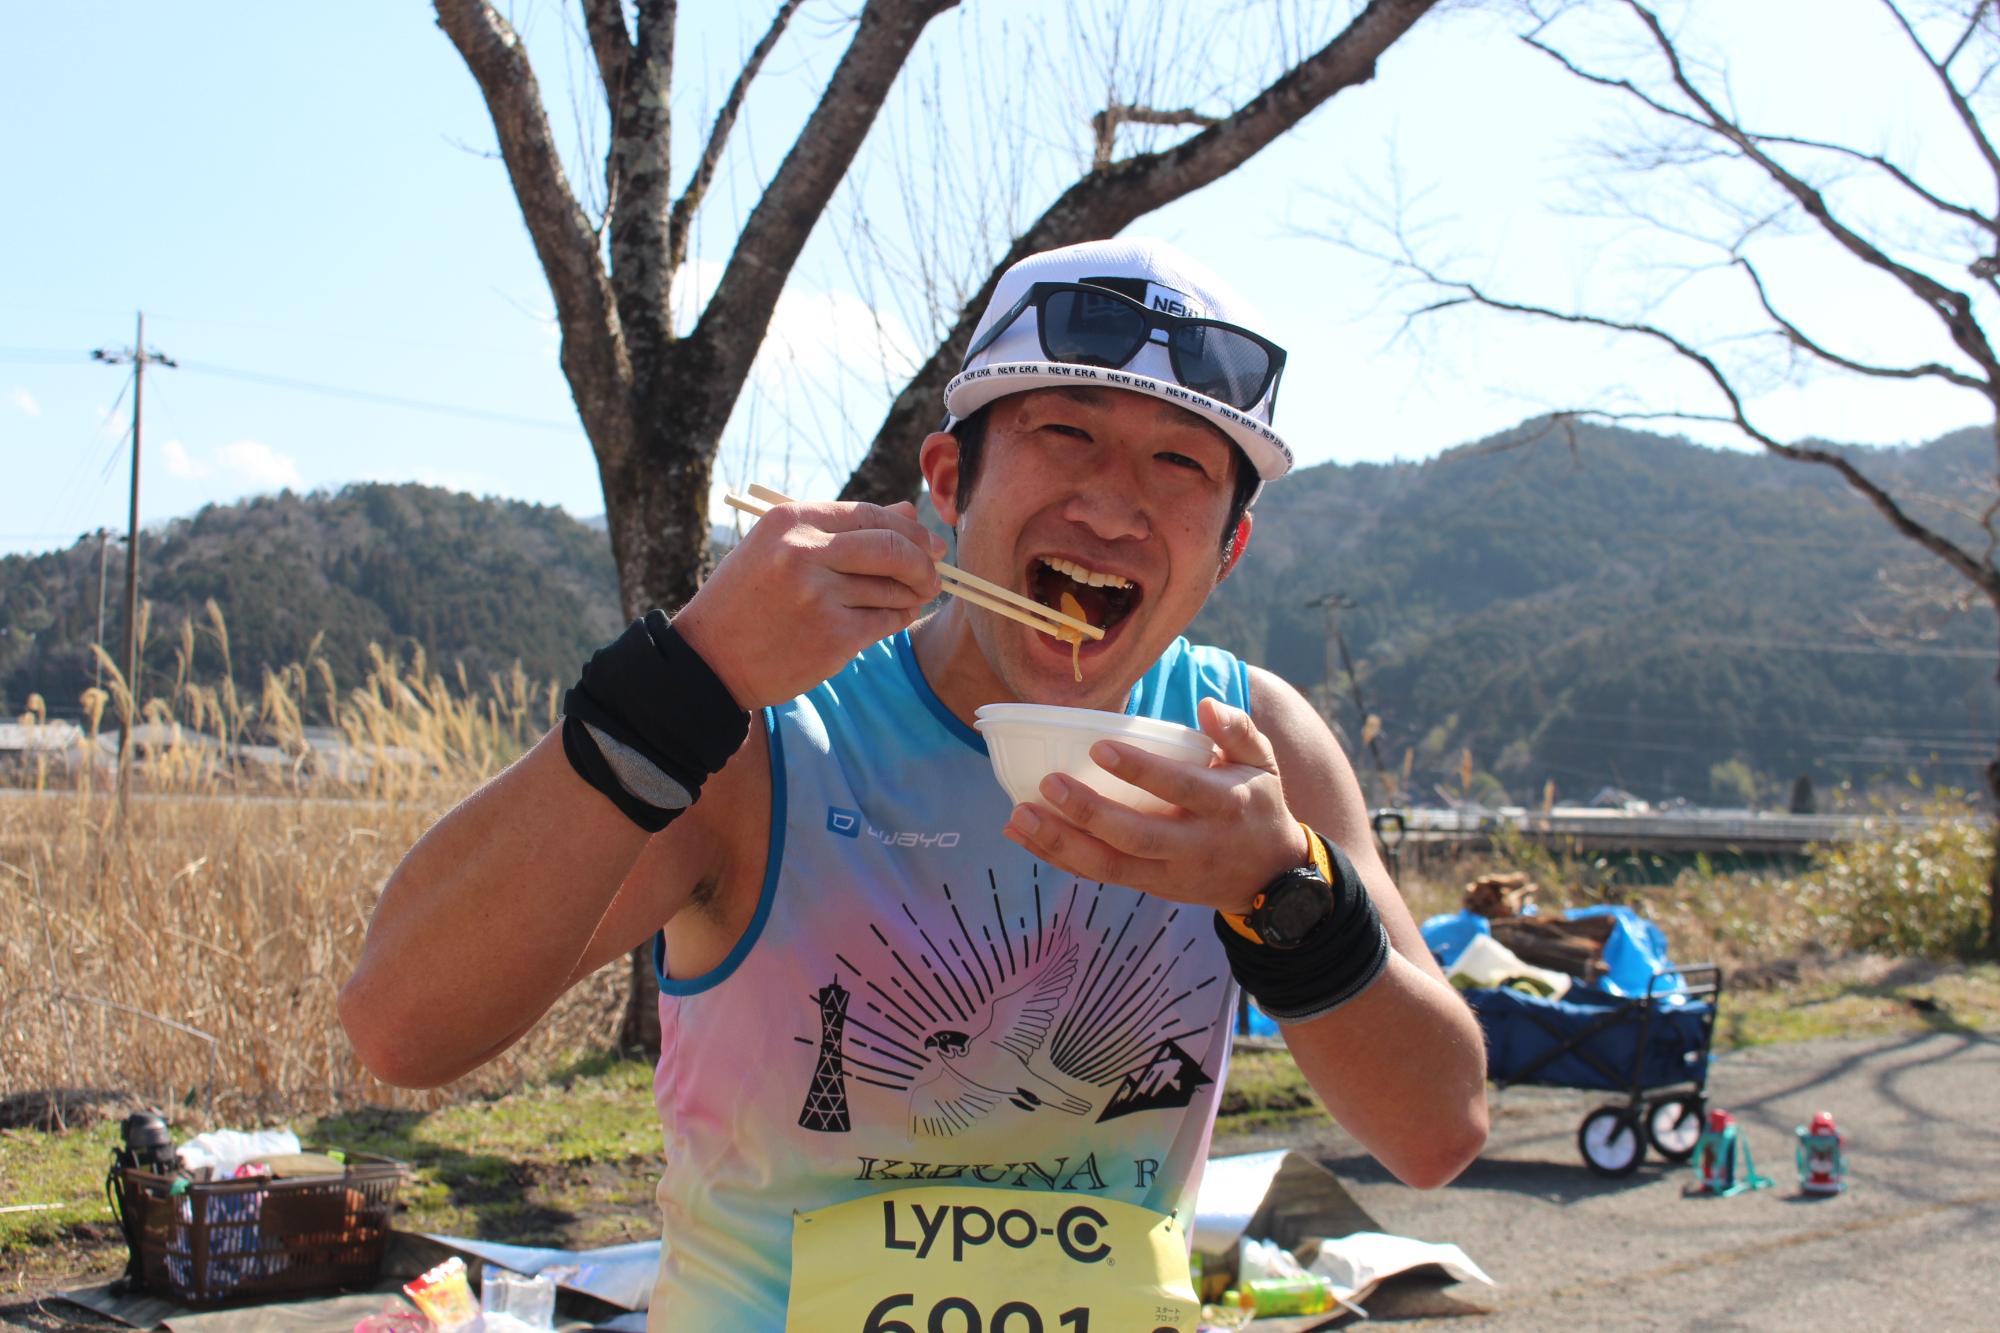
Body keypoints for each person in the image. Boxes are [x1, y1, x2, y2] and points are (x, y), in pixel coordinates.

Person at [340, 238, 1487, 1329]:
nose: (1111, 504)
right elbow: (401, 1025)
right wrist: (683, 678)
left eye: (1179, 462)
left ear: (1228, 547)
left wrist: (1281, 891)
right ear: (947, 479)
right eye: (1065, 433)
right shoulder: (771, 730)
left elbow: (1436, 1130)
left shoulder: (1247, 751)